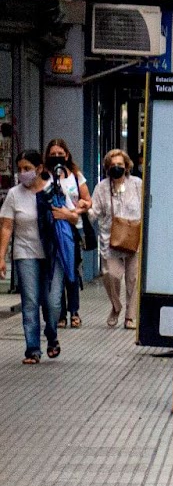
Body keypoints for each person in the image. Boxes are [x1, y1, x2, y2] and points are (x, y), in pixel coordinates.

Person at [0, 150, 67, 361]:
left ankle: (52, 334)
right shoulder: (13, 194)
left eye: (27, 169)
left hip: (52, 254)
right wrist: (1, 256)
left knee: (53, 302)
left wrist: (66, 213)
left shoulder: (53, 190)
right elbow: (7, 227)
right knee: (30, 301)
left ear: (39, 169)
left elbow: (73, 217)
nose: (23, 173)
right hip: (25, 252)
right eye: (20, 169)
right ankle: (33, 349)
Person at [91, 148, 142, 329]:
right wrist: (80, 213)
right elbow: (93, 212)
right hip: (110, 239)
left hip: (134, 238)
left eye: (120, 165)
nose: (117, 168)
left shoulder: (137, 184)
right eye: (113, 165)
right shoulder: (101, 187)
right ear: (107, 167)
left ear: (126, 166)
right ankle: (116, 307)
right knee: (111, 275)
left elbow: (145, 207)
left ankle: (130, 316)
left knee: (133, 279)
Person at [44, 139, 91, 328]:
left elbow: (87, 200)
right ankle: (61, 313)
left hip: (73, 228)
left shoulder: (76, 175)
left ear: (67, 154)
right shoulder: (44, 176)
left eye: (60, 153)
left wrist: (74, 212)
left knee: (71, 269)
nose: (57, 157)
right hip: (52, 229)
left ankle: (74, 311)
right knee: (56, 272)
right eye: (53, 154)